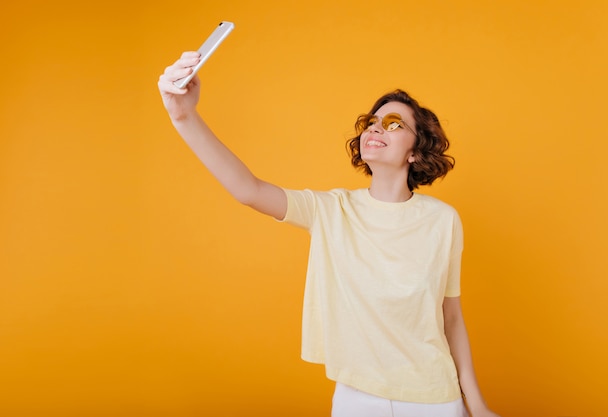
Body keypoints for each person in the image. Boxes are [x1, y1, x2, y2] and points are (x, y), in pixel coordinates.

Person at [158, 51, 502, 417]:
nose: (375, 128)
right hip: (357, 397)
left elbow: (450, 318)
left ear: (416, 152)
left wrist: (477, 406)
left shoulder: (443, 221)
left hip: (434, 397)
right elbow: (249, 190)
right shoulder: (331, 211)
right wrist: (183, 115)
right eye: (371, 122)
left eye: (393, 123)